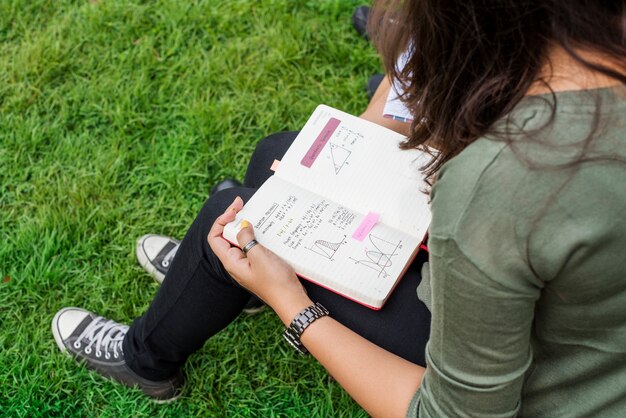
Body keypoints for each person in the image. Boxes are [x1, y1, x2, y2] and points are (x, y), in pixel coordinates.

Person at [51, 1, 626, 416]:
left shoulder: (503, 181)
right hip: (581, 327)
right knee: (279, 156)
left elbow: (453, 414)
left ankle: (145, 359)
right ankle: (226, 285)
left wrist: (292, 303)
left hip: (553, 385)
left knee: (239, 217)